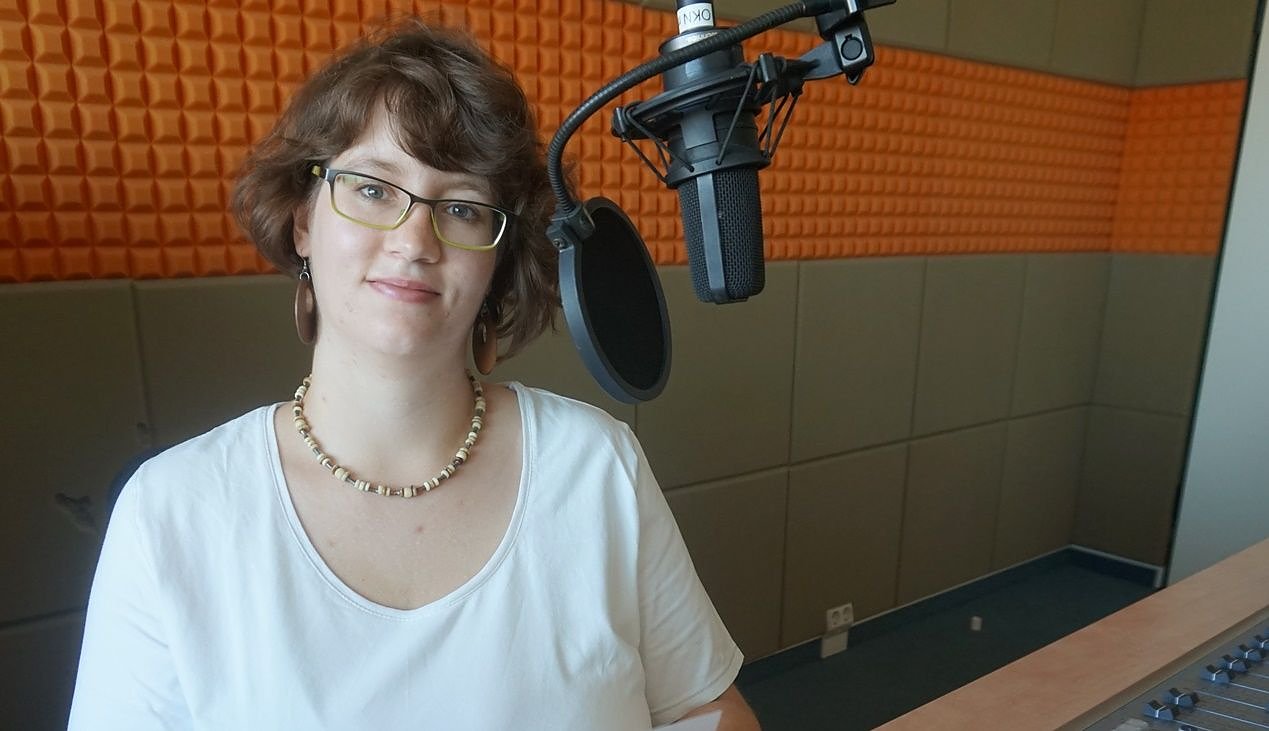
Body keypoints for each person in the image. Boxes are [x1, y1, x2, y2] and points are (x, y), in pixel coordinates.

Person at [68, 17, 760, 731]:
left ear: (496, 259)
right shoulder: (172, 512)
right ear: (303, 221)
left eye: (461, 207)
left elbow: (707, 708)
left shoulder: (596, 464)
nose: (413, 241)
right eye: (373, 189)